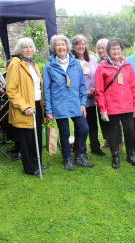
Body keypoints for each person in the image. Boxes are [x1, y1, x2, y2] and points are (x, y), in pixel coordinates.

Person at [43, 34, 92, 171]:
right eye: (57, 45)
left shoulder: (75, 63)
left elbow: (82, 85)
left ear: (67, 46)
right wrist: (48, 110)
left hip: (76, 103)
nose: (61, 47)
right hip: (59, 105)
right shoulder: (49, 66)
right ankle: (67, 158)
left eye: (63, 44)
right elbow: (46, 90)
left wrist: (83, 103)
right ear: (54, 48)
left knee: (83, 128)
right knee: (64, 132)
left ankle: (80, 155)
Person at [5, 37, 47, 176]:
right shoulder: (15, 64)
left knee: (36, 136)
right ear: (19, 49)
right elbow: (11, 90)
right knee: (27, 138)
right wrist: (23, 106)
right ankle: (30, 168)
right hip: (24, 106)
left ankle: (37, 163)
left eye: (30, 47)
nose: (29, 50)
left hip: (36, 104)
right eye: (25, 47)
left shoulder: (32, 64)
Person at [95, 38, 135, 169]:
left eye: (118, 48)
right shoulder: (102, 67)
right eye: (113, 49)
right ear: (108, 51)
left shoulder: (127, 65)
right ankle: (115, 156)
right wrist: (102, 109)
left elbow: (133, 87)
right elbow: (99, 90)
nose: (116, 51)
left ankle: (130, 155)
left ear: (121, 50)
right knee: (113, 133)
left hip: (127, 106)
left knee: (130, 131)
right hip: (112, 107)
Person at [71, 35, 106, 156]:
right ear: (73, 46)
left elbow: (97, 75)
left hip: (92, 98)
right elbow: (71, 81)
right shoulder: (71, 61)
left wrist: (95, 89)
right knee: (80, 125)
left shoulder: (90, 59)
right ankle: (81, 150)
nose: (81, 46)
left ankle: (95, 147)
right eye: (78, 44)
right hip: (79, 98)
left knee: (93, 124)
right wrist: (85, 92)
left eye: (83, 44)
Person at [96, 38, 123, 151]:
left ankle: (119, 142)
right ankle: (107, 140)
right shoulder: (95, 61)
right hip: (99, 96)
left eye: (103, 47)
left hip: (113, 97)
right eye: (99, 48)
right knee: (103, 120)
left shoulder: (117, 62)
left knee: (116, 122)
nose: (101, 50)